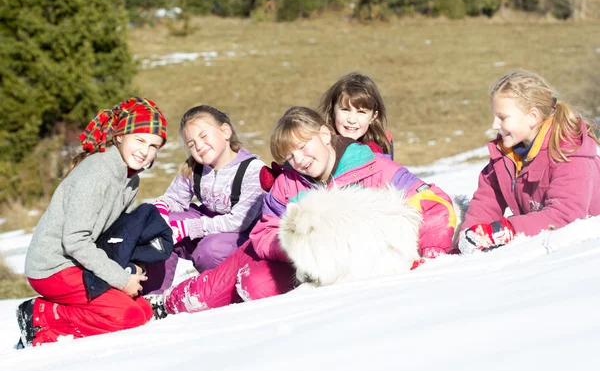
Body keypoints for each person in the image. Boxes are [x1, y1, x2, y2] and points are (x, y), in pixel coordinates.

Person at [147, 106, 456, 318]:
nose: (300, 160)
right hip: (299, 263)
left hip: (345, 267)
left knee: (255, 285)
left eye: (304, 146)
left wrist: (429, 257)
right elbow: (263, 234)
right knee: (246, 279)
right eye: (289, 156)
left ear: (324, 134)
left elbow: (433, 202)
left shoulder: (371, 168)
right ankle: (174, 302)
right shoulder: (287, 185)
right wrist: (299, 248)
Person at [17, 97, 168, 347]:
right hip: (54, 267)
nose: (145, 151)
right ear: (120, 136)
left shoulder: (130, 179)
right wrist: (120, 280)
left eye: (154, 146)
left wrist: (131, 267)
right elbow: (75, 241)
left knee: (143, 311)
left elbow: (118, 234)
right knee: (128, 317)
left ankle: (71, 310)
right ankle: (41, 316)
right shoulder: (96, 174)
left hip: (81, 263)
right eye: (139, 140)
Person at [458, 70, 600, 254]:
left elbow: (564, 216)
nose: (494, 125)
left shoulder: (569, 154)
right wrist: (468, 240)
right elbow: (485, 203)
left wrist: (506, 230)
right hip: (547, 245)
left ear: (532, 116)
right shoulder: (504, 158)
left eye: (502, 117)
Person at [143, 105, 265, 294]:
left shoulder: (253, 170)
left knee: (209, 251)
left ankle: (221, 292)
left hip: (242, 239)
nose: (198, 146)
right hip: (208, 229)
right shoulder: (195, 169)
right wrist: (162, 207)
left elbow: (239, 222)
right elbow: (175, 198)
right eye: (191, 144)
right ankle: (152, 295)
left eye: (203, 136)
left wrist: (192, 227)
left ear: (225, 131)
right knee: (161, 227)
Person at [318, 71, 394, 158]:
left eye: (361, 112)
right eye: (345, 109)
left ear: (373, 116)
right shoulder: (318, 145)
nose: (351, 120)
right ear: (332, 110)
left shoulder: (379, 149)